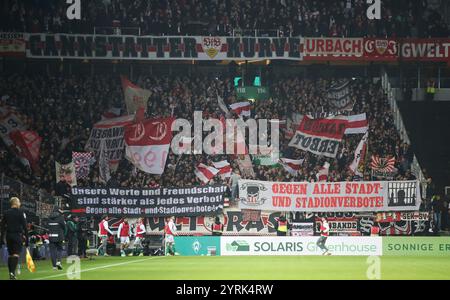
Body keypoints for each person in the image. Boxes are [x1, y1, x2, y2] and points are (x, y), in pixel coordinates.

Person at [0, 197, 29, 280]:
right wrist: (27, 239)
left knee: (11, 255)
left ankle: (11, 273)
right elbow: (25, 227)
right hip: (17, 235)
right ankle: (12, 273)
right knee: (15, 254)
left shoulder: (6, 213)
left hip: (8, 236)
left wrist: (1, 239)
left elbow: (2, 227)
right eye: (19, 202)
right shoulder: (20, 213)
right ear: (16, 203)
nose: (20, 203)